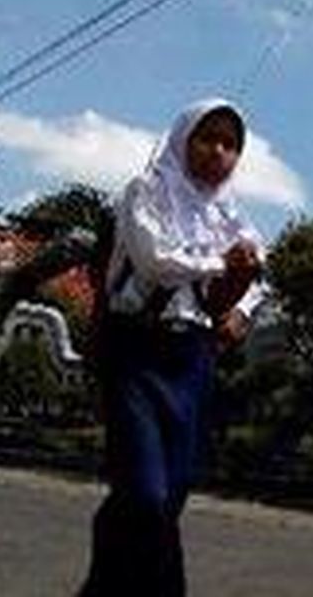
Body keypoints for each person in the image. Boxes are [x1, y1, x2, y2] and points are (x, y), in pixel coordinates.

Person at [80, 98, 267, 597]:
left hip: (192, 359)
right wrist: (222, 265)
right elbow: (155, 261)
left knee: (173, 490)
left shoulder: (229, 212)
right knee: (146, 493)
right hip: (136, 351)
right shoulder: (145, 191)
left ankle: (101, 588)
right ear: (184, 138)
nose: (218, 151)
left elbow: (259, 273)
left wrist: (243, 309)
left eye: (230, 144)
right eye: (208, 138)